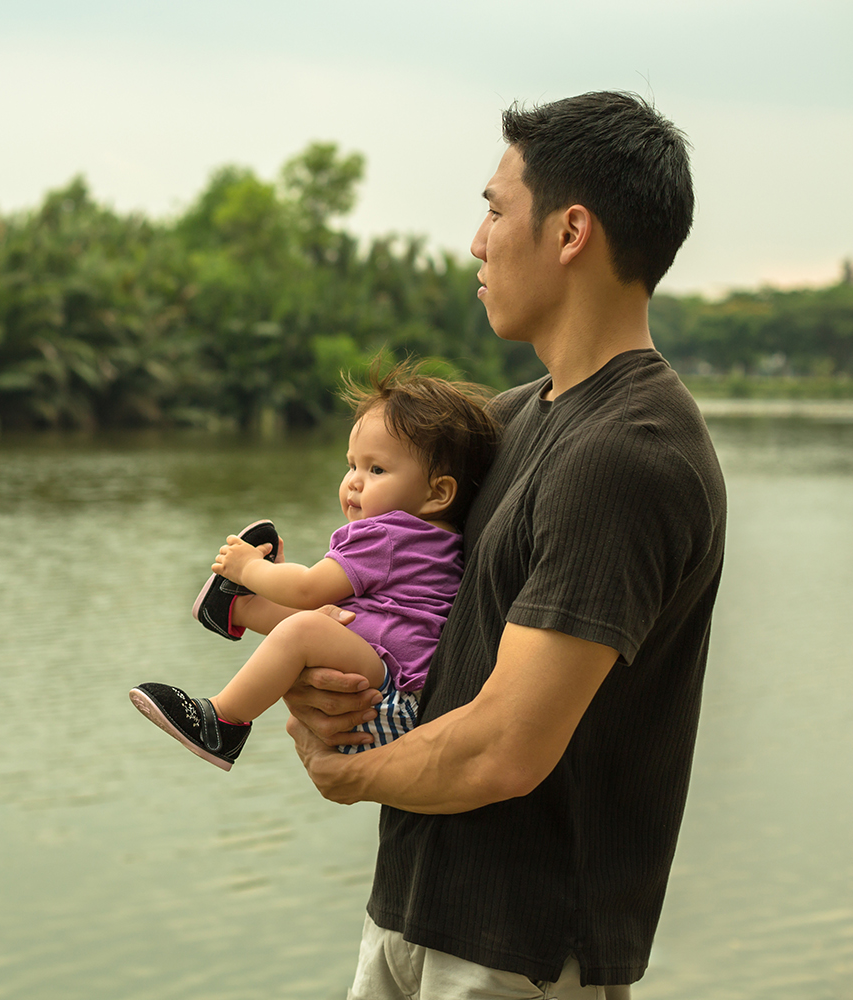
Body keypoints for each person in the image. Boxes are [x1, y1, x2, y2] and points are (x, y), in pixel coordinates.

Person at [281, 92, 727, 998]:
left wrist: (346, 771)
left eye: (493, 209)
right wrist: (325, 682)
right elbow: (410, 614)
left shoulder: (627, 455)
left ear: (570, 232)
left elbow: (505, 749)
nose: (477, 243)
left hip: (519, 955)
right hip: (411, 912)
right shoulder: (509, 422)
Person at [129, 365, 499, 770]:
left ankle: (223, 721)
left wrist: (249, 568)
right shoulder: (434, 538)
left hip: (391, 698)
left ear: (438, 492)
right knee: (323, 620)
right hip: (397, 695)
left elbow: (308, 587)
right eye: (351, 465)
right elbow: (324, 598)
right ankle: (237, 610)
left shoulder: (389, 536)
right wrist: (272, 585)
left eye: (376, 469)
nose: (354, 482)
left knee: (308, 625)